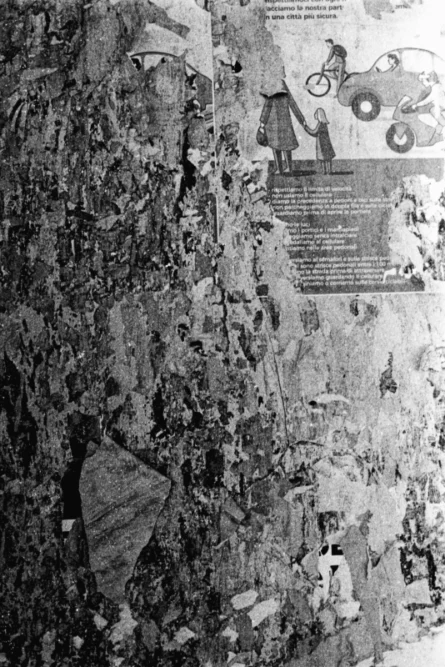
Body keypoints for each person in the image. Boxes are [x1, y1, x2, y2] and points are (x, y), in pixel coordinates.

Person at [258, 79, 306, 175]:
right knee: (286, 145)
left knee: (276, 147)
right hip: (284, 121)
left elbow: (267, 106)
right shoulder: (282, 84)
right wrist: (301, 119)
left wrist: (262, 122)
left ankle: (280, 169)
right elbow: (292, 102)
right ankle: (288, 168)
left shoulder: (272, 85)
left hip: (273, 123)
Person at [412, 70, 445, 139]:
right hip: (442, 107)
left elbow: (428, 100)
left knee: (433, 110)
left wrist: (416, 105)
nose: (422, 82)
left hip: (442, 107)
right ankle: (436, 137)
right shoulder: (436, 86)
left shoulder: (436, 88)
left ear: (429, 79)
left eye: (423, 80)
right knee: (439, 123)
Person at [303, 108, 336, 174]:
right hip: (326, 144)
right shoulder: (324, 124)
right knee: (328, 159)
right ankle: (329, 171)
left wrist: (305, 127)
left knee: (323, 159)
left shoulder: (320, 124)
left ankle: (324, 171)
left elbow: (314, 132)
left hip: (322, 145)